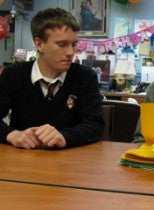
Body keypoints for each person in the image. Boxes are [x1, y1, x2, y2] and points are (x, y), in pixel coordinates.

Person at [0, 7, 104, 149]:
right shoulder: (14, 75)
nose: (71, 52)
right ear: (39, 44)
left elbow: (95, 125)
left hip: (70, 163)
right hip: (22, 160)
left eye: (74, 44)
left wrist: (64, 137)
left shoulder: (85, 77)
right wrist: (12, 135)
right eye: (62, 44)